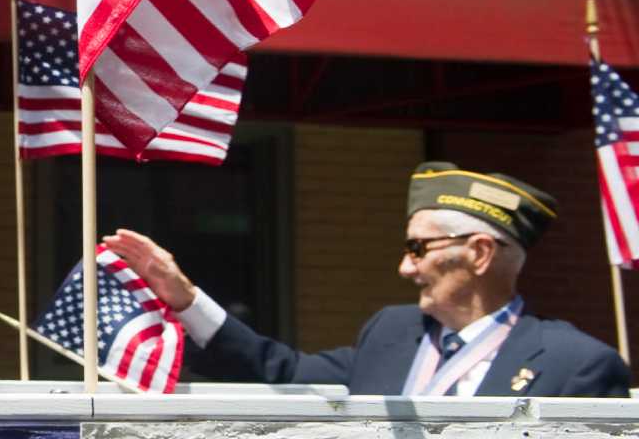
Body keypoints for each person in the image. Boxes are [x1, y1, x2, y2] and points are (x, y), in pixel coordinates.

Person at [104, 161, 630, 398]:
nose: (406, 268)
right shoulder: (391, 333)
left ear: (480, 253)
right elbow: (282, 373)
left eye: (418, 248)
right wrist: (187, 298)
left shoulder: (576, 366)